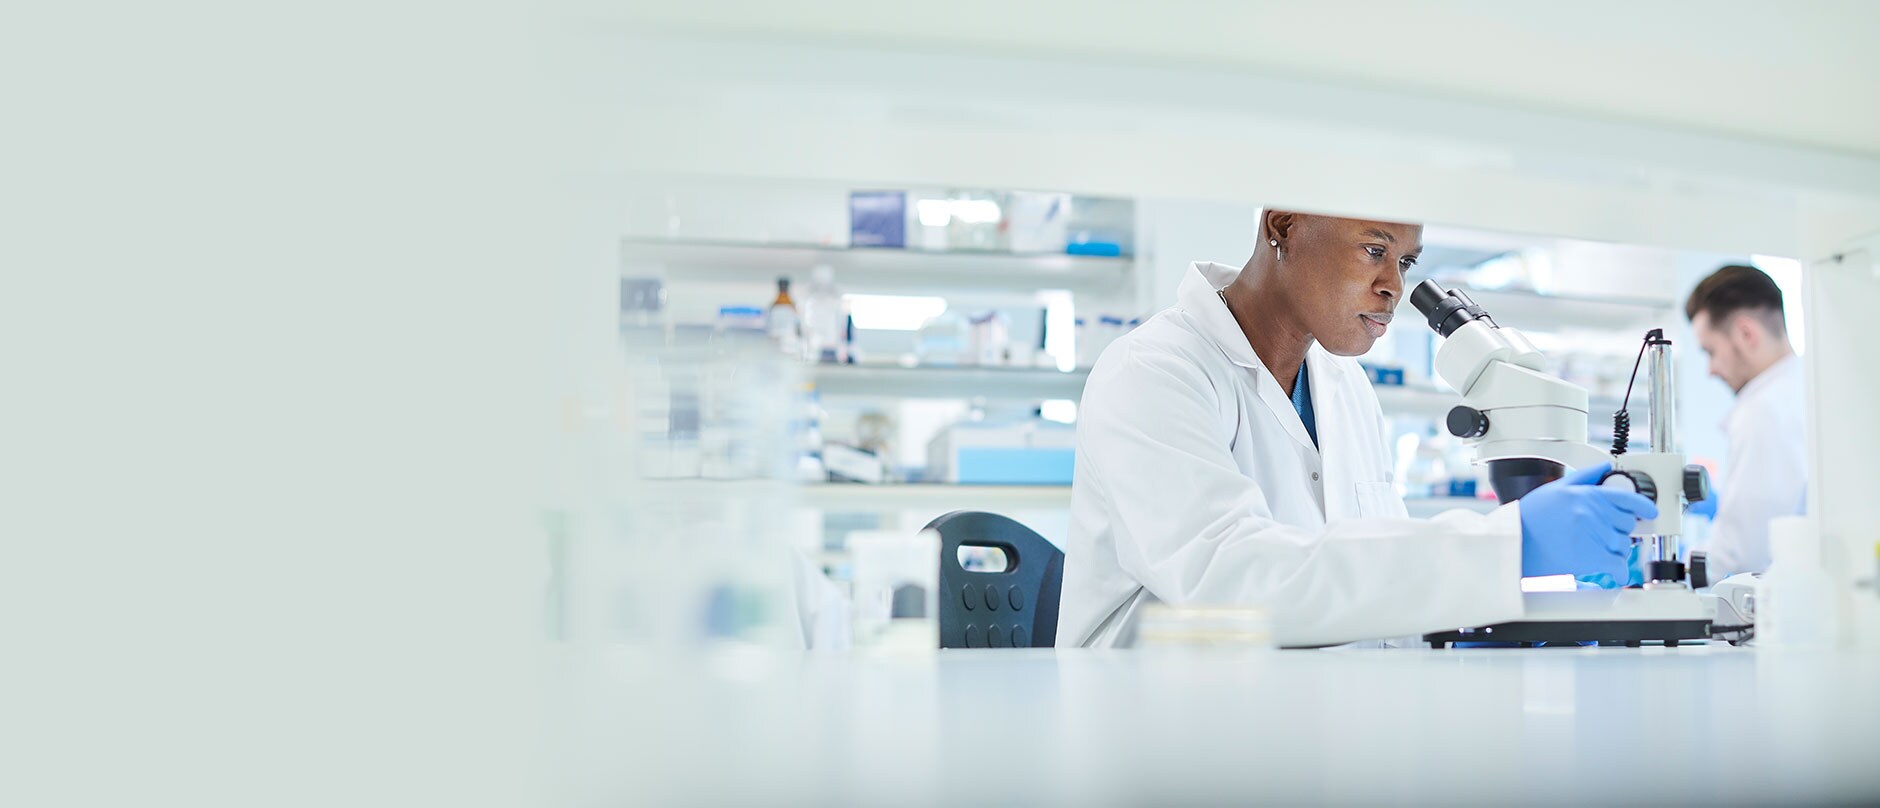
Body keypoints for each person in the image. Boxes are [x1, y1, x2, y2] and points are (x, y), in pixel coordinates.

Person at [1059, 210, 1656, 648]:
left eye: (1406, 262)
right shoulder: (1154, 371)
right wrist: (1507, 548)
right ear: (1283, 227)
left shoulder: (1344, 387)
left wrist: (1483, 616)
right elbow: (1229, 583)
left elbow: (1371, 589)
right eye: (1374, 250)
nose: (1394, 285)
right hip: (1157, 728)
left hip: (1302, 722)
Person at [1684, 264, 1807, 580]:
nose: (1711, 369)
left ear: (1746, 334)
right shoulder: (1807, 388)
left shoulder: (1764, 411)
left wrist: (1672, 572)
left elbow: (1743, 555)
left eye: (1711, 351)